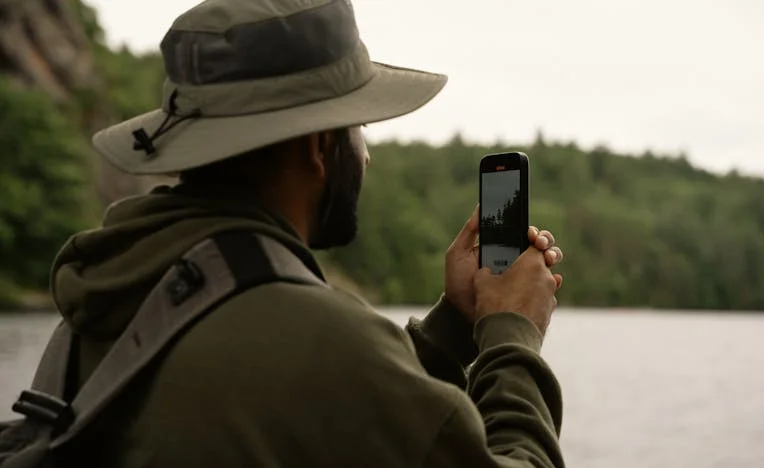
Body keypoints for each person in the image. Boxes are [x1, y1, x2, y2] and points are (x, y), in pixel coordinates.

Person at [51, 0, 567, 466]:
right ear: (320, 148)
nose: (367, 155)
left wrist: (454, 324)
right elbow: (332, 371)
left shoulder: (109, 305)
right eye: (360, 127)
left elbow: (344, 402)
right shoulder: (315, 338)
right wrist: (512, 330)